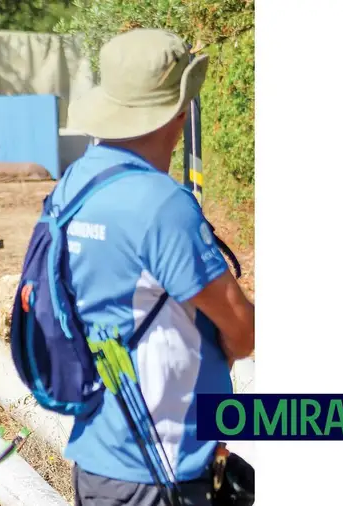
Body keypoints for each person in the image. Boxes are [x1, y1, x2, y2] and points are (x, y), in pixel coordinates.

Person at [54, 28, 256, 505]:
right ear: (179, 114)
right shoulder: (161, 205)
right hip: (161, 469)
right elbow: (243, 331)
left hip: (98, 460)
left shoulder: (73, 186)